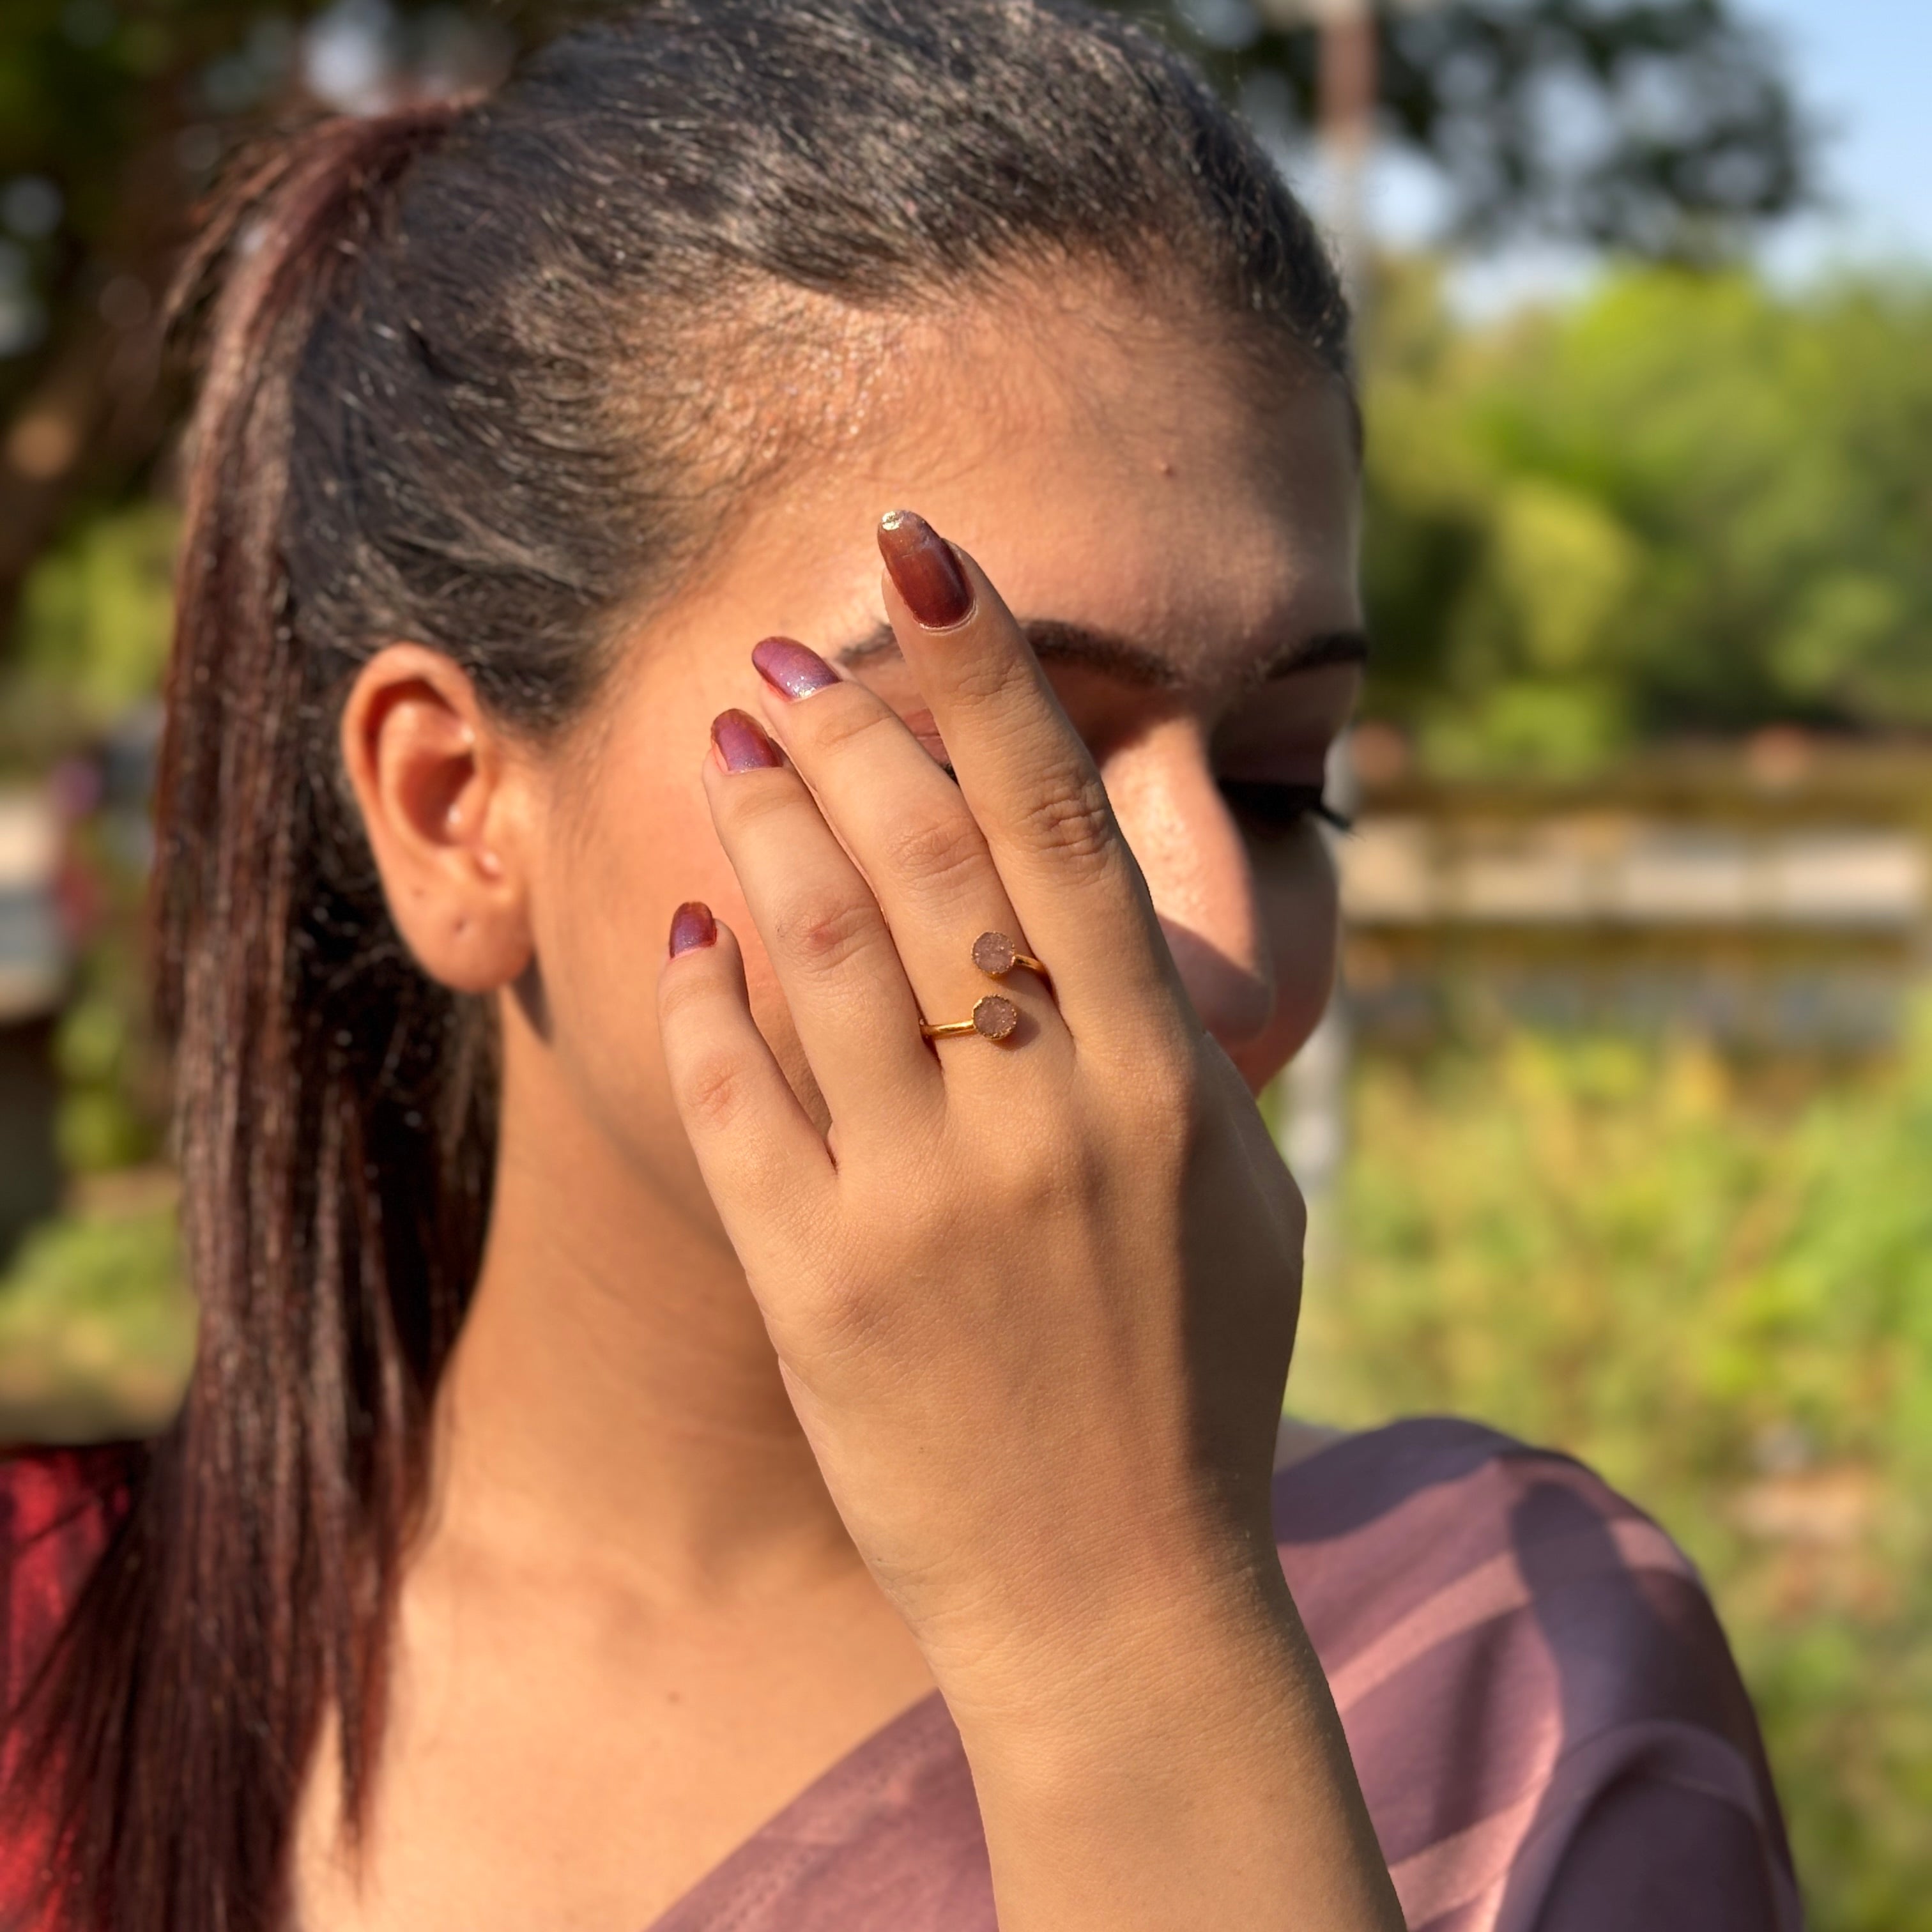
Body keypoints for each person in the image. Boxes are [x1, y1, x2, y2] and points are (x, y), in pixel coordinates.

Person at [0, 3, 1797, 1928]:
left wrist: (1119, 1622)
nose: (1223, 950)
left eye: (1283, 789)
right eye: (972, 761)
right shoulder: (50, 1670)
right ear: (456, 810)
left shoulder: (1521, 1675)